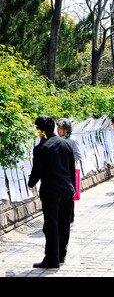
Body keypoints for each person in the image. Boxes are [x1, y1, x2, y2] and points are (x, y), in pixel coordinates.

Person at [28, 115, 76, 268]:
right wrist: (73, 188)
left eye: (37, 129)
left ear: (41, 130)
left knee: (51, 225)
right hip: (68, 189)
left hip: (51, 191)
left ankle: (51, 259)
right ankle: (61, 255)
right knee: (64, 223)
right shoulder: (66, 144)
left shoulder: (42, 147)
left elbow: (37, 170)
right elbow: (71, 169)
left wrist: (31, 183)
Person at [56, 118, 81, 224]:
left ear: (66, 130)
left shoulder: (72, 140)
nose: (57, 129)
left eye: (59, 128)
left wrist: (66, 161)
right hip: (59, 171)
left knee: (69, 196)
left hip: (68, 171)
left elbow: (78, 155)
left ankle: (70, 218)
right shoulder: (58, 139)